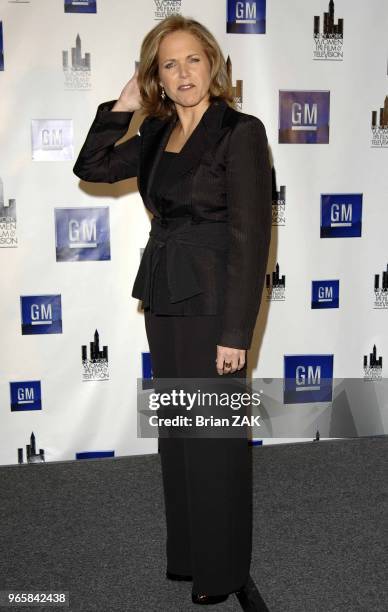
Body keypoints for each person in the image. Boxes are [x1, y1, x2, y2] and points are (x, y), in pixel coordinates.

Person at [72, 14, 272, 607]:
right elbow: (92, 167)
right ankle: (189, 556)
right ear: (154, 75)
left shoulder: (241, 131)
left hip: (215, 305)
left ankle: (226, 569)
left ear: (212, 63)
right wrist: (121, 106)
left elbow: (251, 236)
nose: (182, 73)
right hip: (164, 296)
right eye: (167, 64)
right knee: (181, 435)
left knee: (215, 439)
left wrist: (237, 332)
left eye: (191, 59)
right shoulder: (156, 134)